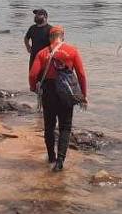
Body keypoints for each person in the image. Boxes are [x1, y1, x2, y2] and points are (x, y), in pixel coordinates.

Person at [29, 25, 88, 172]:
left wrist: (33, 88)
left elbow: (32, 75)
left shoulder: (43, 53)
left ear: (50, 38)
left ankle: (51, 157)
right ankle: (60, 161)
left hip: (49, 91)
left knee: (49, 126)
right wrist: (83, 95)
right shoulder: (72, 51)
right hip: (66, 92)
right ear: (63, 36)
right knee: (65, 127)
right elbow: (81, 75)